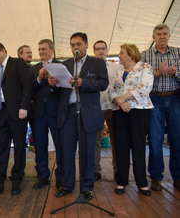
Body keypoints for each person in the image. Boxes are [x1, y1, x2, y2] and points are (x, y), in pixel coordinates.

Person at [48, 32, 108, 201]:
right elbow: (58, 88)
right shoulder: (65, 64)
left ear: (86, 45)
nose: (76, 47)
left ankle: (87, 187)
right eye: (73, 44)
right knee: (66, 151)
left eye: (79, 44)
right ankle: (67, 185)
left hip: (88, 113)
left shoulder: (97, 63)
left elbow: (103, 83)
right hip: (68, 113)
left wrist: (83, 83)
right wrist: (52, 85)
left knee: (88, 152)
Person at [109, 44, 153, 196]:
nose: (119, 55)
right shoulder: (119, 72)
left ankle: (142, 183)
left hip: (139, 111)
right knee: (121, 146)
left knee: (138, 146)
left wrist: (124, 97)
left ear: (131, 54)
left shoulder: (144, 67)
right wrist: (120, 101)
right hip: (120, 112)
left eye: (122, 53)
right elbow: (111, 91)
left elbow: (146, 87)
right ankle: (121, 182)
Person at [0, 41, 32, 196]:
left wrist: (24, 107)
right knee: (2, 147)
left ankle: (16, 180)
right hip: (2, 113)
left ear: (3, 50)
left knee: (20, 147)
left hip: (17, 111)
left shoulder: (17, 63)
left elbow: (27, 85)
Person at [142, 23, 180, 191]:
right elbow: (141, 80)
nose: (162, 36)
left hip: (175, 98)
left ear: (169, 36)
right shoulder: (145, 55)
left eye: (165, 33)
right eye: (159, 34)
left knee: (177, 139)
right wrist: (156, 74)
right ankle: (156, 177)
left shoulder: (178, 52)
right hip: (154, 99)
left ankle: (177, 177)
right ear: (153, 37)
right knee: (155, 139)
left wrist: (176, 74)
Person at [29, 39, 61, 189]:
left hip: (56, 111)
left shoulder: (61, 66)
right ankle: (42, 176)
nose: (41, 52)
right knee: (40, 145)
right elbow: (29, 88)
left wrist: (53, 86)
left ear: (52, 50)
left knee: (60, 145)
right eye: (39, 49)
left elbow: (65, 88)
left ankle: (61, 176)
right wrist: (39, 78)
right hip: (38, 113)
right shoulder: (34, 69)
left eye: (44, 49)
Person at [93, 40, 121, 181]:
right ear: (94, 51)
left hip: (112, 107)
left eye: (103, 48)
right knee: (95, 141)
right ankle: (96, 171)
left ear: (107, 49)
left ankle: (117, 170)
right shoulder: (90, 67)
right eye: (98, 49)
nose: (101, 51)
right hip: (96, 108)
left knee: (116, 140)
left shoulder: (116, 67)